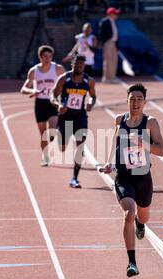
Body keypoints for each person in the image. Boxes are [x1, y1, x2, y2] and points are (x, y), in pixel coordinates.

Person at [100, 83, 163, 277]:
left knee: (142, 216)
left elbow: (161, 150)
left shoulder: (151, 122)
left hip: (143, 178)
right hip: (124, 177)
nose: (135, 103)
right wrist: (109, 163)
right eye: (132, 99)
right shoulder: (119, 120)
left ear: (144, 102)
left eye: (139, 99)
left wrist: (144, 143)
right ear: (127, 100)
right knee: (128, 213)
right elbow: (115, 144)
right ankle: (132, 262)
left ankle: (141, 223)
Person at [50, 55, 97, 188]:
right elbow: (52, 96)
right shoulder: (65, 79)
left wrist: (90, 104)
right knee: (62, 147)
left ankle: (74, 178)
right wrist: (58, 105)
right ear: (73, 64)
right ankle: (58, 134)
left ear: (84, 66)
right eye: (77, 64)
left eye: (81, 64)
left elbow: (93, 96)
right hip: (65, 117)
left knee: (80, 147)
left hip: (80, 117)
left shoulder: (89, 81)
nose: (79, 66)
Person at [21, 45, 65, 167]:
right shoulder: (34, 71)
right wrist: (32, 92)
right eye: (45, 56)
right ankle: (45, 157)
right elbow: (23, 88)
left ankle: (57, 132)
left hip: (52, 102)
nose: (48, 59)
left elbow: (67, 83)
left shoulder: (58, 69)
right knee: (43, 135)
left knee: (50, 133)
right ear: (40, 57)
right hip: (40, 104)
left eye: (50, 56)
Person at [98, 7, 120, 83]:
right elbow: (101, 34)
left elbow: (116, 34)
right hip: (108, 43)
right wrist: (104, 42)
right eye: (115, 13)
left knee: (114, 60)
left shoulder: (114, 22)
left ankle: (112, 77)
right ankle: (107, 78)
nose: (116, 15)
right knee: (108, 61)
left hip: (114, 43)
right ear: (110, 14)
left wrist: (117, 46)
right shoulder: (104, 21)